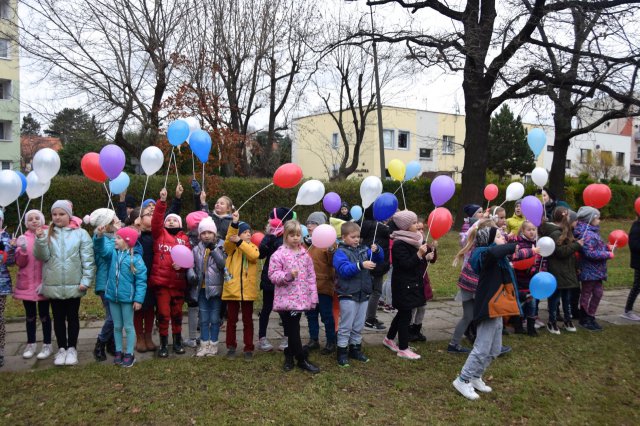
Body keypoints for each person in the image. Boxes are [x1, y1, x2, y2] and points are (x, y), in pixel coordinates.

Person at [452, 226, 534, 400]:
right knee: (481, 348)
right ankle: (462, 379)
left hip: (498, 307)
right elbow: (494, 252)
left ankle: (475, 377)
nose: (503, 237)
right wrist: (514, 246)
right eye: (498, 236)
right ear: (489, 240)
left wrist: (521, 296)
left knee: (495, 349)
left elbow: (506, 280)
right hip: (488, 307)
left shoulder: (499, 260)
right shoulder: (483, 255)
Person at [34, 200, 95, 366]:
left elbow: (88, 259)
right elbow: (42, 257)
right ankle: (61, 348)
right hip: (53, 284)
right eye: (54, 214)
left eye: (61, 214)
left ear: (69, 215)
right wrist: (39, 240)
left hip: (74, 284)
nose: (57, 217)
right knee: (58, 318)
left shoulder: (81, 234)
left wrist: (86, 280)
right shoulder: (47, 233)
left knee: (72, 317)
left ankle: (72, 348)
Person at [268, 220, 320, 373]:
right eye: (292, 235)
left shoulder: (305, 254)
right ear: (285, 236)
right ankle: (301, 359)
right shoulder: (279, 254)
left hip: (301, 299)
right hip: (286, 299)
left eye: (298, 235)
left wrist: (312, 297)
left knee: (293, 328)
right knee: (293, 329)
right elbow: (273, 275)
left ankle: (289, 356)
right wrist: (288, 276)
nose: (296, 238)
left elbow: (311, 276)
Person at [333, 221, 383, 367]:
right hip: (348, 294)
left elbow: (378, 259)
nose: (356, 239)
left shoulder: (364, 250)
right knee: (346, 325)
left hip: (364, 293)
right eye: (353, 237)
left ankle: (355, 348)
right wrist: (360, 265)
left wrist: (377, 250)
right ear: (343, 237)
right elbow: (343, 270)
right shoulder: (340, 252)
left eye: (358, 237)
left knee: (358, 325)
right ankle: (342, 351)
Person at [382, 210, 430, 360]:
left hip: (412, 282)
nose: (417, 225)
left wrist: (425, 256)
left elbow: (415, 263)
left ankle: (389, 339)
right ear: (405, 226)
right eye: (414, 223)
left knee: (403, 313)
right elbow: (405, 264)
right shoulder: (399, 244)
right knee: (406, 315)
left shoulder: (414, 240)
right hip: (403, 284)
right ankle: (403, 348)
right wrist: (419, 255)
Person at [96, 226, 147, 367]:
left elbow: (141, 281)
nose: (115, 240)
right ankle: (119, 351)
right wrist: (99, 236)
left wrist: (138, 299)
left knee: (129, 326)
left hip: (127, 299)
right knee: (117, 326)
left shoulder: (136, 259)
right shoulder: (112, 254)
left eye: (118, 238)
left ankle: (129, 353)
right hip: (112, 297)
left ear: (128, 241)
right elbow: (101, 249)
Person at [150, 188, 191, 357]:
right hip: (162, 284)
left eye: (175, 220)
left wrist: (181, 266)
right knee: (163, 314)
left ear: (180, 224)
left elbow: (189, 259)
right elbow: (156, 221)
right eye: (169, 220)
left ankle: (178, 341)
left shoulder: (185, 239)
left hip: (178, 283)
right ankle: (164, 344)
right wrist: (162, 202)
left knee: (177, 314)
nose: (171, 222)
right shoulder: (159, 234)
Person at [13, 210, 52, 360]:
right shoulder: (23, 238)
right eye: (30, 219)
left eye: (37, 218)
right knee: (30, 316)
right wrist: (21, 250)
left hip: (43, 283)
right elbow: (20, 263)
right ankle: (31, 343)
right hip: (27, 284)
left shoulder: (48, 235)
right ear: (26, 223)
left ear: (42, 220)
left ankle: (47, 344)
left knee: (44, 316)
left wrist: (46, 281)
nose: (34, 221)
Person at [223, 212, 260, 360]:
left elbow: (253, 256)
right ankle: (231, 346)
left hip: (248, 291)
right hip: (233, 290)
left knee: (248, 321)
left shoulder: (253, 247)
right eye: (244, 232)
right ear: (238, 234)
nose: (248, 234)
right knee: (231, 320)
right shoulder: (231, 250)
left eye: (249, 232)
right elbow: (228, 241)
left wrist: (241, 242)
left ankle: (248, 348)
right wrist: (234, 224)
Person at [188, 217, 226, 357]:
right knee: (203, 318)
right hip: (201, 289)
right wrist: (191, 275)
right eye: (203, 233)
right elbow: (190, 265)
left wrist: (214, 250)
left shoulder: (221, 246)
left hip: (215, 289)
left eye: (210, 232)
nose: (207, 235)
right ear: (199, 235)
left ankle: (213, 344)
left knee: (215, 318)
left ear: (215, 234)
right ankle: (204, 344)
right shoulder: (196, 249)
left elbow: (222, 264)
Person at [258, 207, 295, 352]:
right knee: (266, 308)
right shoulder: (270, 235)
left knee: (283, 310)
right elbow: (261, 254)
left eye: (271, 217)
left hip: (283, 280)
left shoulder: (287, 237)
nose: (268, 220)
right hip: (269, 279)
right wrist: (268, 238)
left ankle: (287, 337)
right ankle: (262, 337)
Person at [540, 208, 582, 333]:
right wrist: (577, 244)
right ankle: (552, 322)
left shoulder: (566, 232)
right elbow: (561, 252)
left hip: (567, 271)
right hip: (557, 271)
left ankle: (567, 320)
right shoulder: (555, 234)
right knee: (555, 298)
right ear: (565, 218)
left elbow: (571, 255)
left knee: (567, 298)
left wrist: (576, 267)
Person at [87, 208, 120, 362]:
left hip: (116, 282)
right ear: (107, 224)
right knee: (113, 317)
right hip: (105, 284)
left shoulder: (113, 236)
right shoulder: (100, 238)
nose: (119, 220)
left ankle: (110, 343)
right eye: (115, 219)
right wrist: (118, 236)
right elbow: (107, 253)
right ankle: (100, 343)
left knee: (114, 315)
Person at [303, 212, 337, 354]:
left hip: (323, 286)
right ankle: (313, 339)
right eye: (308, 223)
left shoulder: (328, 243)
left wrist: (331, 251)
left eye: (313, 223)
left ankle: (331, 341)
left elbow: (332, 262)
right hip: (308, 287)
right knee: (311, 315)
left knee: (326, 315)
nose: (309, 226)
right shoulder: (304, 242)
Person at [574, 206, 613, 331]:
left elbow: (595, 247)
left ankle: (591, 316)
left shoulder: (592, 231)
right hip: (588, 270)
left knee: (598, 293)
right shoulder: (587, 234)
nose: (599, 220)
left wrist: (606, 247)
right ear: (590, 218)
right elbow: (589, 253)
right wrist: (608, 254)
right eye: (597, 217)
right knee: (587, 293)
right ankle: (584, 318)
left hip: (597, 270)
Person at [183, 210, 211, 349]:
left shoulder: (187, 238)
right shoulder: (207, 238)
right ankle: (203, 335)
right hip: (207, 279)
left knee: (192, 306)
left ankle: (192, 337)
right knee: (203, 307)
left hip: (192, 277)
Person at [510, 221, 543, 336]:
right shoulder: (519, 243)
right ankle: (518, 326)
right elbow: (516, 257)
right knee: (520, 303)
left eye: (534, 229)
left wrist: (541, 270)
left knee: (533, 304)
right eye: (529, 229)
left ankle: (531, 328)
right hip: (520, 279)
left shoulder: (539, 243)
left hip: (533, 281)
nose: (532, 232)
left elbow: (541, 260)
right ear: (523, 231)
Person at [361, 206, 390, 331]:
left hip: (367, 261)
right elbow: (392, 232)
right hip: (377, 264)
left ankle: (365, 317)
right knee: (376, 291)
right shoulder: (381, 227)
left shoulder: (363, 224)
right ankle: (369, 320)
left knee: (368, 291)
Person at [408, 218, 435, 342]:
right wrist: (424, 258)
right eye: (417, 229)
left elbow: (432, 260)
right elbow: (412, 262)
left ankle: (417, 329)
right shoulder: (410, 245)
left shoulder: (425, 244)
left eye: (422, 229)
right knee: (413, 307)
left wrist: (433, 250)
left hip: (423, 280)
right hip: (413, 280)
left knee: (422, 306)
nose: (420, 231)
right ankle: (408, 330)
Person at [0, 209, 15, 368]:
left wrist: (11, 248)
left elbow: (9, 262)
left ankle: (0, 351)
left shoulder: (5, 237)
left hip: (1, 284)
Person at [623, 212, 640, 321]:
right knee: (637, 286)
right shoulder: (636, 227)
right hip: (639, 263)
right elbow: (633, 245)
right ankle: (628, 311)